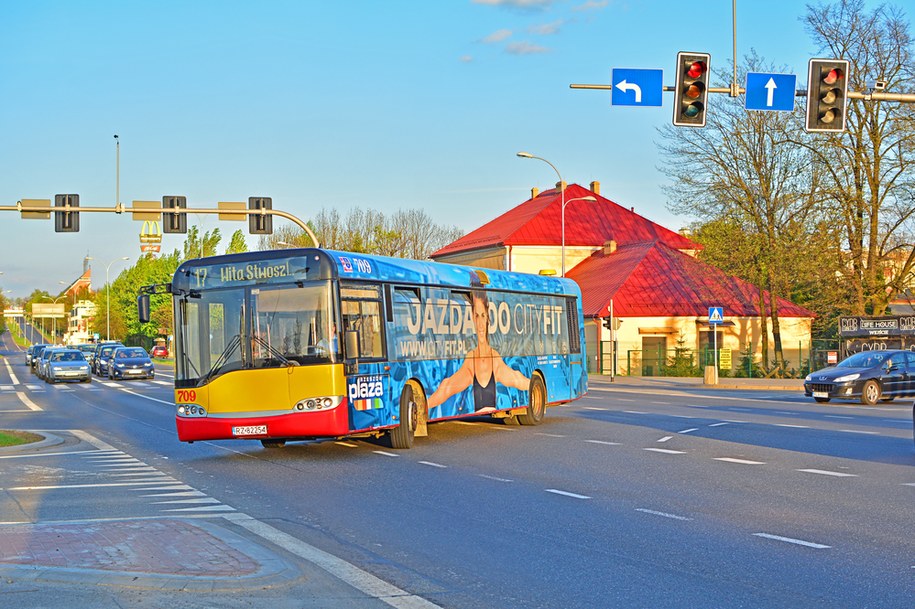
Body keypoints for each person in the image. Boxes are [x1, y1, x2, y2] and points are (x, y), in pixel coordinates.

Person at [427, 287, 529, 413]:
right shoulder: (471, 360)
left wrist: (535, 385)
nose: (480, 323)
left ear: (487, 318)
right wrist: (424, 405)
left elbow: (518, 379)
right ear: (473, 319)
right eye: (476, 316)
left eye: (483, 316)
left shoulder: (495, 359)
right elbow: (447, 387)